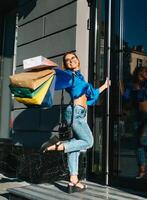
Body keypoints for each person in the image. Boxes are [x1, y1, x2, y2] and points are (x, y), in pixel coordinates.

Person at [41, 52, 110, 193]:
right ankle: (57, 146)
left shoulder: (80, 77)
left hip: (80, 113)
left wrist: (104, 86)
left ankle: (73, 181)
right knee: (89, 142)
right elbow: (56, 75)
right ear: (66, 65)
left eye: (73, 58)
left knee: (75, 148)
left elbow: (90, 97)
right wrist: (48, 65)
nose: (71, 61)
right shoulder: (69, 76)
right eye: (67, 60)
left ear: (78, 60)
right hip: (75, 113)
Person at [120, 66, 147, 179]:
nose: (144, 74)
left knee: (143, 139)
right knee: (137, 142)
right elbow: (126, 98)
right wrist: (122, 89)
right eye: (142, 72)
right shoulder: (132, 85)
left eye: (145, 73)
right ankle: (142, 169)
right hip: (137, 114)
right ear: (137, 74)